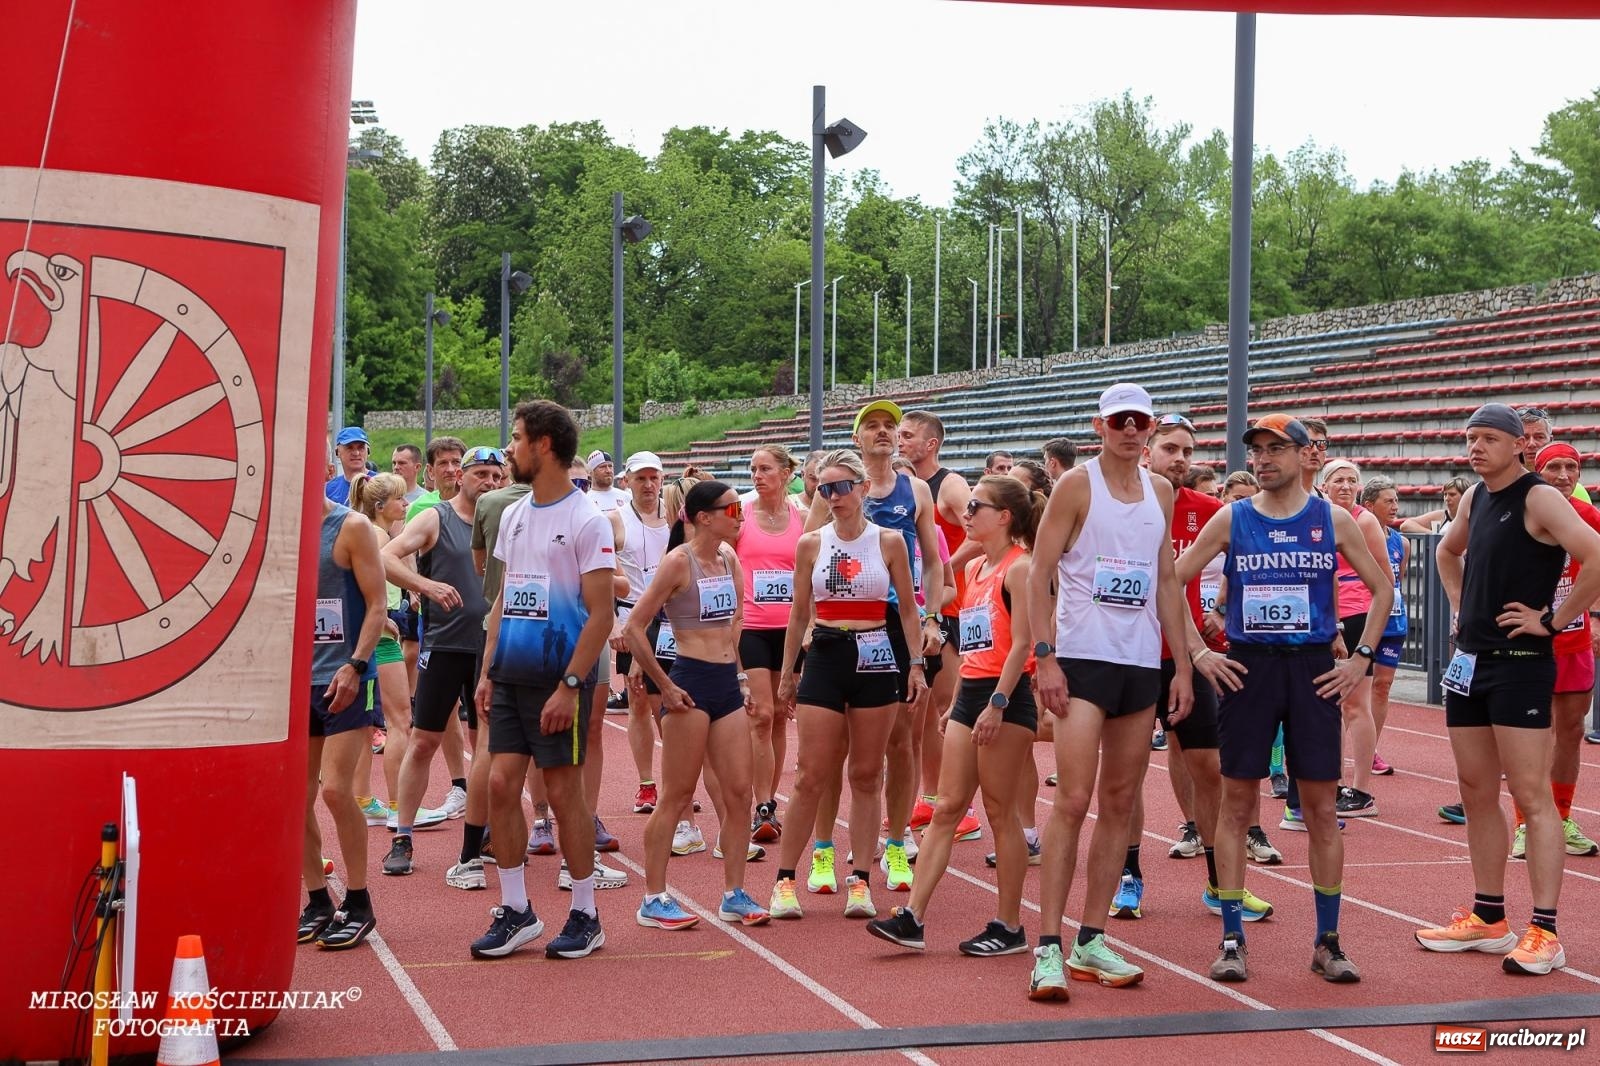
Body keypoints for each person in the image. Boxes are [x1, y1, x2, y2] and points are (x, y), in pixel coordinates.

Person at [1176, 413, 1392, 985]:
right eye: (1258, 450)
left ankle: (1328, 940)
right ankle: (1231, 938)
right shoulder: (1233, 516)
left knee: (1320, 807)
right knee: (1237, 804)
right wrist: (1197, 652)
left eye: (1277, 449)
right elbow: (1170, 579)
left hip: (1313, 669)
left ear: (1305, 455)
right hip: (1249, 669)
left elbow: (1382, 588)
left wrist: (1360, 658)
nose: (1264, 459)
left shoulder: (1331, 518)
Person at [1417, 404, 1600, 975]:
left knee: (1530, 795)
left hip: (1521, 663)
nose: (1476, 448)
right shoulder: (1474, 497)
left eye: (1489, 439)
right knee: (1475, 791)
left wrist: (1553, 620)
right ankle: (1489, 917)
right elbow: (1446, 550)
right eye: (1471, 438)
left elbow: (1596, 554)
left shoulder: (1539, 497)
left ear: (1520, 445)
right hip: (1470, 663)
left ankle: (1545, 930)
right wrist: (1458, 605)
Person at [1026, 383, 1194, 1000]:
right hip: (1081, 659)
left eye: (1139, 422)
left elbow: (1167, 581)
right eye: (1119, 420)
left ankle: (1091, 939)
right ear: (1100, 426)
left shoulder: (1160, 491)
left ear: (1149, 429)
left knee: (1120, 802)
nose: (1129, 430)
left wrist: (1182, 667)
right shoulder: (1077, 486)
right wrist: (1045, 657)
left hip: (1140, 662)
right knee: (1073, 799)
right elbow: (1040, 574)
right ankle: (1047, 945)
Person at [868, 475, 1044, 956]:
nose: (965, 514)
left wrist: (997, 704)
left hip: (1006, 698)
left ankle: (1009, 926)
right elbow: (976, 645)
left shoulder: (1020, 568)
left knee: (1000, 813)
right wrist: (958, 703)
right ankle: (912, 917)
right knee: (946, 808)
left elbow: (1023, 645)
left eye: (975, 506)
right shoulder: (978, 567)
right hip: (973, 694)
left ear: (1004, 516)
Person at [468, 401, 613, 960]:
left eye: (516, 437)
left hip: (560, 680)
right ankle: (516, 910)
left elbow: (600, 615)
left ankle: (585, 913)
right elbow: (505, 599)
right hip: (510, 675)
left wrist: (571, 687)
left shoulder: (586, 519)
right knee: (501, 786)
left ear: (543, 445)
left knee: (562, 791)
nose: (509, 448)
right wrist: (488, 670)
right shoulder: (513, 515)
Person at [1126, 414, 1279, 928]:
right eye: (1170, 449)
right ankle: (1128, 876)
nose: (1180, 459)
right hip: (1126, 656)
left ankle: (1219, 883)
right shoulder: (1118, 505)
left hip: (1186, 657)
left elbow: (1249, 557)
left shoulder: (1208, 510)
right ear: (1146, 452)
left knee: (1210, 768)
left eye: (1187, 451)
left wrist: (1222, 607)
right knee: (1125, 776)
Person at [770, 449, 927, 921]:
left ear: (862, 488)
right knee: (810, 774)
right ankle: (784, 881)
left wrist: (916, 664)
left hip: (876, 653)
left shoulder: (889, 542)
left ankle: (860, 880)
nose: (833, 496)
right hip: (826, 652)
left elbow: (908, 609)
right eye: (824, 489)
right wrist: (787, 672)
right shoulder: (811, 544)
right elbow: (798, 612)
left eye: (841, 487)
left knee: (866, 773)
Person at [803, 401, 944, 897]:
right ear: (857, 438)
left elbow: (933, 561)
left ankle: (897, 843)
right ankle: (824, 848)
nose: (884, 433)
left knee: (902, 741)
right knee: (834, 745)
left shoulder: (916, 489)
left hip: (895, 625)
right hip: (842, 625)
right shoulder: (833, 490)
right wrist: (811, 623)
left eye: (891, 426)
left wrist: (930, 617)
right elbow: (810, 555)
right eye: (873, 426)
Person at [625, 480, 771, 929]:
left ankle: (733, 894)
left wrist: (741, 677)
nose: (740, 516)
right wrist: (665, 686)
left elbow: (733, 623)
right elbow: (633, 628)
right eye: (732, 510)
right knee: (677, 795)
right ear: (704, 517)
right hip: (689, 685)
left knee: (739, 794)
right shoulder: (678, 561)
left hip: (726, 685)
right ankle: (653, 898)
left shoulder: (728, 558)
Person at [379, 446, 501, 877]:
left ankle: (481, 834)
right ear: (461, 477)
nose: (489, 482)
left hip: (490, 649)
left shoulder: (504, 522)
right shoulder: (436, 517)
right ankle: (402, 836)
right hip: (445, 646)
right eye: (480, 473)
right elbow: (386, 557)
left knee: (487, 748)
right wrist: (425, 586)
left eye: (496, 475)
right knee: (424, 741)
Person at [297, 495, 386, 950]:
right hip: (297, 684)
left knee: (334, 790)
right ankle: (317, 900)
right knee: (294, 800)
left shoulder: (351, 527)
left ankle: (358, 899)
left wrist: (355, 664)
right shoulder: (277, 528)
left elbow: (378, 605)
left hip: (346, 679)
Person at [1505, 443, 1600, 859]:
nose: (1563, 475)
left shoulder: (1587, 516)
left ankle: (1561, 816)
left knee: (1571, 732)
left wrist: (1594, 613)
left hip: (1574, 641)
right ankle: (1526, 823)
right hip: (1527, 642)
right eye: (1554, 467)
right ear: (1536, 471)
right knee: (1531, 736)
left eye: (1571, 467)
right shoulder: (1518, 513)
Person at [900, 411, 977, 853]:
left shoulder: (949, 485)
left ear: (931, 444)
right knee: (925, 714)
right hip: (918, 611)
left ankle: (961, 808)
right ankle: (931, 797)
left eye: (908, 435)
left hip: (948, 609)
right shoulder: (904, 488)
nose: (900, 441)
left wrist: (944, 568)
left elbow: (980, 531)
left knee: (949, 710)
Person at [736, 445, 806, 843]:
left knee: (780, 714)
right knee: (760, 714)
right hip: (753, 627)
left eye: (764, 469)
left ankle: (769, 803)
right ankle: (761, 804)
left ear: (785, 473)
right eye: (753, 469)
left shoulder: (802, 518)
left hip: (790, 631)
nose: (757, 476)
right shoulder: (741, 516)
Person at [1316, 458, 1389, 818]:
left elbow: (1385, 578)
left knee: (1355, 704)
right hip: (1322, 616)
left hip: (1356, 615)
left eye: (1351, 480)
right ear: (1324, 486)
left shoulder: (1364, 520)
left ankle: (1361, 790)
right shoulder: (1315, 516)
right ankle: (1332, 783)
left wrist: (1374, 626)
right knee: (1328, 704)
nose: (1345, 486)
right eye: (1338, 480)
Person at [610, 452, 673, 816]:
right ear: (626, 482)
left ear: (662, 480)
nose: (648, 485)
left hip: (670, 619)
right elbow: (599, 574)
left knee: (670, 703)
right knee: (637, 701)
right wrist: (613, 624)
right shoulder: (614, 521)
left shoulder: (676, 516)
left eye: (654, 478)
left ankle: (677, 782)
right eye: (640, 478)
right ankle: (647, 783)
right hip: (632, 617)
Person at [1358, 476, 1407, 779]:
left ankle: (1371, 749)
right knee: (1355, 690)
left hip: (1395, 622)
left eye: (1396, 500)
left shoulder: (1402, 542)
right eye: (1388, 501)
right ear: (1369, 505)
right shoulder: (1358, 536)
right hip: (1366, 619)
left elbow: (1397, 580)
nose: (1395, 506)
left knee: (1382, 686)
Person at [1402, 475, 1469, 535]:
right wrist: (1433, 534)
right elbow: (1406, 525)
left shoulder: (1472, 516)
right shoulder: (1440, 516)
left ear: (1464, 495)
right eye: (1445, 494)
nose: (1447, 498)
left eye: (1452, 494)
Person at [324, 427, 370, 505]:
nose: (356, 453)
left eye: (361, 448)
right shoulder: (328, 489)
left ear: (368, 451)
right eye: (349, 448)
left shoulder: (381, 484)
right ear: (337, 452)